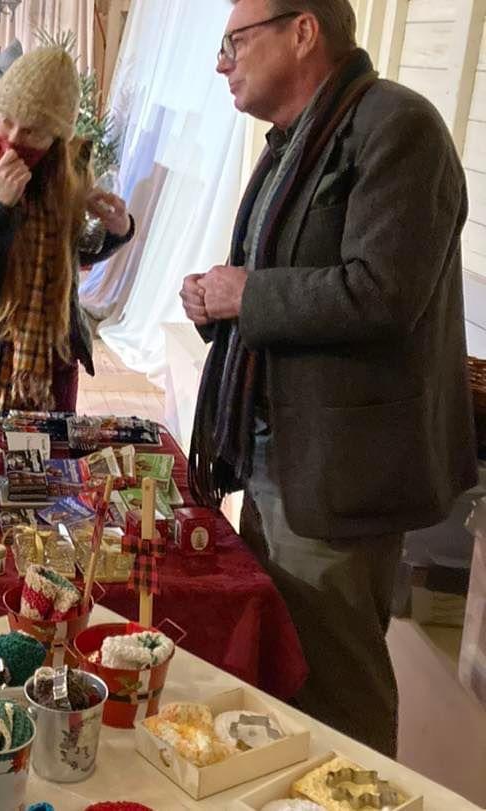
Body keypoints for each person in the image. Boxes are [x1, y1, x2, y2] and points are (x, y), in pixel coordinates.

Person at [182, 0, 477, 756]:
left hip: (340, 472)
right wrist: (218, 299)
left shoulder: (398, 129)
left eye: (236, 40)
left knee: (338, 684)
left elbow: (383, 293)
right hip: (276, 454)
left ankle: (352, 798)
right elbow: (286, 277)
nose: (222, 62)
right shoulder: (297, 141)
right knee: (287, 664)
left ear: (303, 31)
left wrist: (247, 294)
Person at [0, 46, 133, 416]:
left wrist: (116, 230)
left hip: (50, 364)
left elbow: (70, 251)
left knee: (50, 455)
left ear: (56, 138)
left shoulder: (67, 166)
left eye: (32, 130)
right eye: (6, 119)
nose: (14, 138)